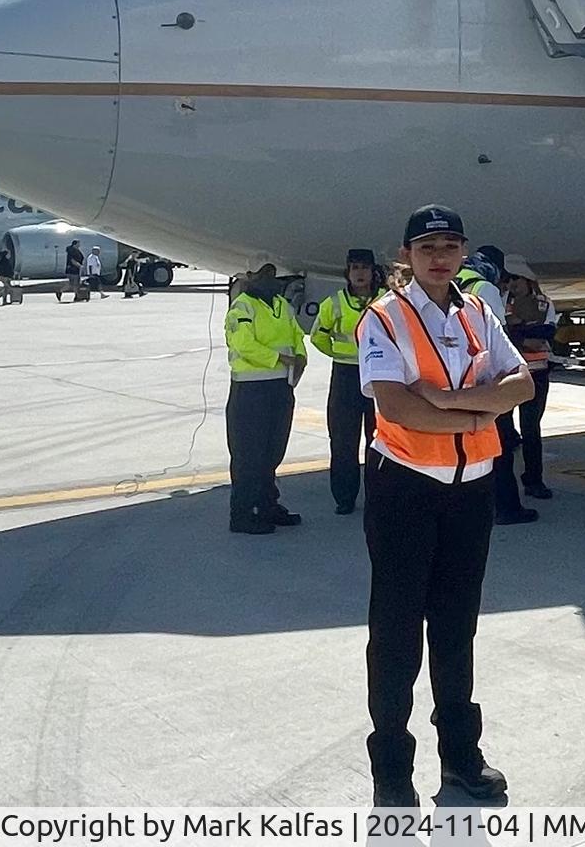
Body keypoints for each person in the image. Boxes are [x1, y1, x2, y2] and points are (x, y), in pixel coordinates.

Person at [357, 204, 535, 807]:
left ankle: (460, 758)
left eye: (451, 245)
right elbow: (397, 407)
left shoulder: (479, 311)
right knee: (397, 631)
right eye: (428, 246)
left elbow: (524, 383)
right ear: (405, 255)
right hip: (406, 488)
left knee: (457, 628)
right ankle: (392, 772)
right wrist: (482, 409)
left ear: (463, 253)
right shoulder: (385, 318)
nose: (440, 256)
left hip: (472, 489)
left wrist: (455, 402)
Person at [455, 249, 537, 527]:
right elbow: (496, 336)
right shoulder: (484, 288)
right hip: (486, 381)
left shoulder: (452, 281)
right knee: (499, 447)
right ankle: (507, 508)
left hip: (457, 376)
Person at [224, 263, 308, 535]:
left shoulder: (281, 305)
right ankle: (243, 514)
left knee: (272, 451)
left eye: (272, 274)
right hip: (250, 391)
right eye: (262, 274)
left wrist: (301, 357)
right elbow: (243, 344)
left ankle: (267, 504)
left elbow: (295, 334)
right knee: (249, 455)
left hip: (280, 388)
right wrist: (281, 358)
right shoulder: (243, 307)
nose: (269, 279)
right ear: (249, 277)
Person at [313, 248, 382, 515]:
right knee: (343, 440)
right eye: (355, 268)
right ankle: (344, 496)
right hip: (345, 375)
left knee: (379, 439)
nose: (360, 274)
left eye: (364, 268)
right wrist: (340, 355)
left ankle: (379, 494)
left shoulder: (385, 300)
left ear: (373, 272)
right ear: (348, 273)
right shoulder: (334, 303)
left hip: (377, 376)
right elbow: (319, 336)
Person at [501, 254, 557, 501]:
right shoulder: (503, 301)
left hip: (537, 374)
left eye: (516, 279)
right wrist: (523, 334)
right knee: (504, 432)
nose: (512, 283)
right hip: (509, 375)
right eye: (509, 279)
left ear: (527, 280)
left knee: (531, 430)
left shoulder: (544, 302)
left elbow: (547, 331)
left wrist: (518, 328)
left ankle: (534, 480)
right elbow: (503, 332)